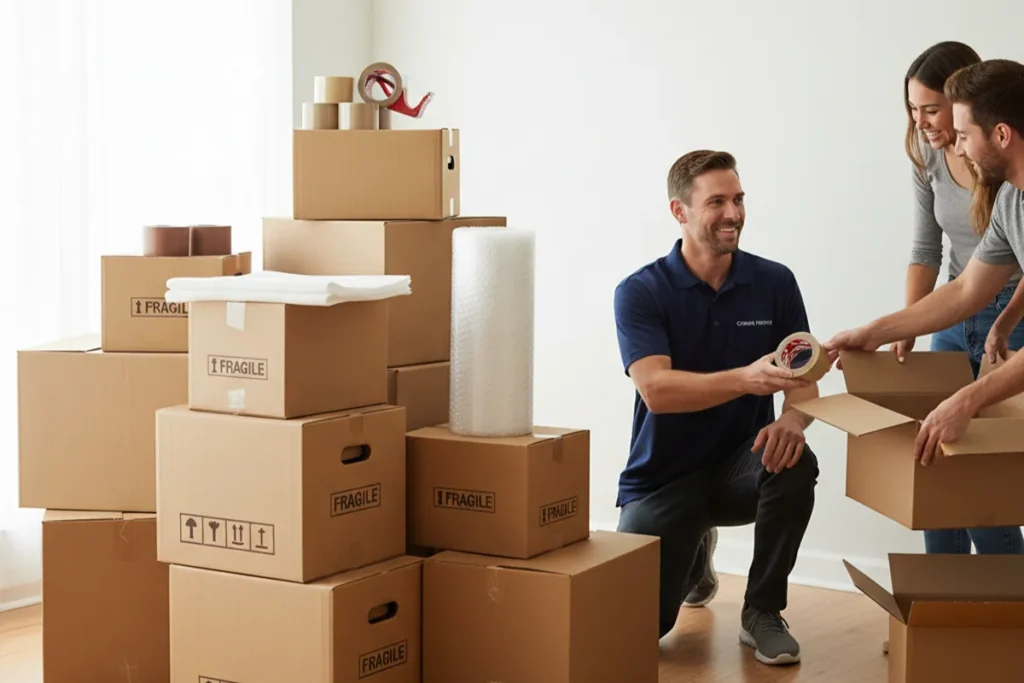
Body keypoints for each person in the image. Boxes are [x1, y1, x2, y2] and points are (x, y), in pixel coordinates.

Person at [613, 149, 822, 666]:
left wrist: (792, 420)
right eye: (717, 202)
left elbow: (804, 381)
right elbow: (657, 390)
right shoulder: (640, 292)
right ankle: (694, 556)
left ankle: (762, 611)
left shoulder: (775, 282)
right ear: (679, 211)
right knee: (638, 632)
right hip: (663, 478)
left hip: (740, 467)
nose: (734, 213)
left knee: (796, 460)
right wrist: (746, 380)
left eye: (738, 199)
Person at [826, 58, 1024, 465]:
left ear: (1002, 135)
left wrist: (967, 400)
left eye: (965, 135)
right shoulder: (1010, 201)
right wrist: (874, 332)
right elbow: (967, 289)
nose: (959, 149)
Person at [897, 42, 1024, 557]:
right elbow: (936, 256)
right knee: (935, 460)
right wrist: (905, 324)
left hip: (1011, 313)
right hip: (956, 312)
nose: (921, 122)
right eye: (913, 109)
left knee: (982, 473)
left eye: (932, 109)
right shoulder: (932, 157)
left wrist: (1008, 318)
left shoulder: (1003, 174)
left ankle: (1003, 596)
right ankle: (943, 597)